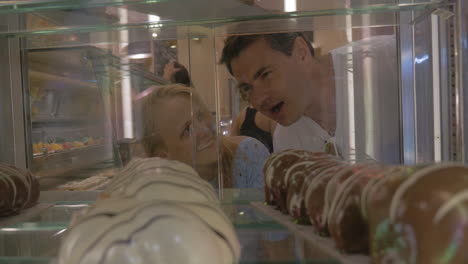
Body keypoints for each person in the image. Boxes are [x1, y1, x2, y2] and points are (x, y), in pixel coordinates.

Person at [219, 32, 400, 163]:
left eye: (266, 74)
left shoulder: (390, 59)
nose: (257, 100)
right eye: (246, 88)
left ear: (301, 52)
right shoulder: (287, 141)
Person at [140, 84, 268, 188]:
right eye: (187, 130)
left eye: (201, 115)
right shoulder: (158, 190)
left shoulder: (249, 154)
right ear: (163, 157)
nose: (205, 130)